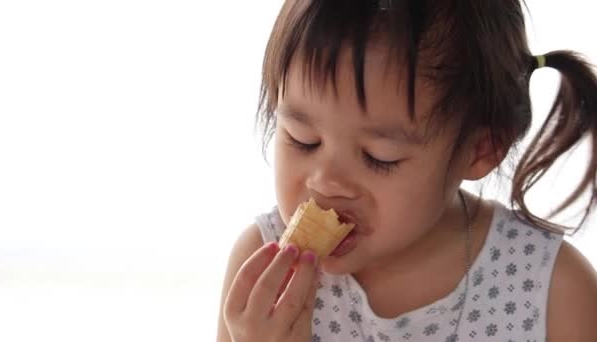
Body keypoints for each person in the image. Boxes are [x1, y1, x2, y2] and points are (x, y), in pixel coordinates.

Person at [216, 1, 597, 341]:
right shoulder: (262, 278)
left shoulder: (551, 290)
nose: (325, 180)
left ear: (480, 149)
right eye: (303, 140)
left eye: (379, 157)